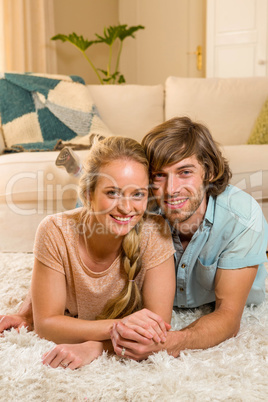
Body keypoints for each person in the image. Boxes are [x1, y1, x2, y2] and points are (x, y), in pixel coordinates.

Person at [0, 135, 176, 369]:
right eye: (112, 192)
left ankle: (80, 167)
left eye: (138, 194)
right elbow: (46, 326)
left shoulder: (155, 232)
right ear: (90, 194)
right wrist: (120, 328)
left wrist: (96, 346)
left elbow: (156, 332)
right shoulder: (54, 230)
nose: (126, 207)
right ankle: (74, 163)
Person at [109, 116, 268, 361]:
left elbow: (228, 317)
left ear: (209, 171)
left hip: (226, 299)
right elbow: (79, 222)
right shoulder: (142, 202)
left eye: (185, 172)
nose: (171, 189)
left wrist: (167, 344)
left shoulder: (243, 218)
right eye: (159, 175)